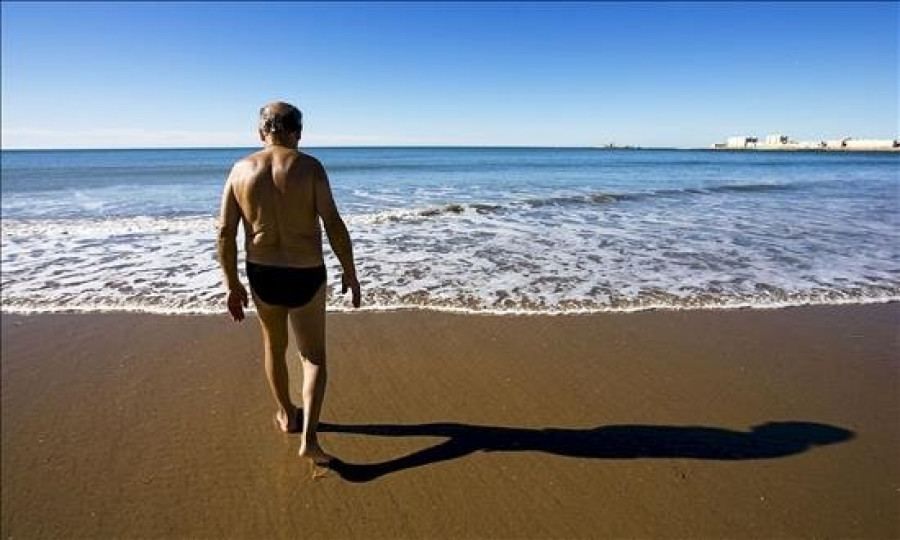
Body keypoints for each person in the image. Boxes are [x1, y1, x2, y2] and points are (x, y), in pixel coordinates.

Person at [217, 101, 360, 466]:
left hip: (262, 272)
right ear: (298, 132)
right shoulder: (310, 167)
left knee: (275, 346)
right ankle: (310, 439)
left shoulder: (239, 170)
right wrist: (350, 271)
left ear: (260, 132)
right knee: (313, 357)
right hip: (305, 271)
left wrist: (232, 284)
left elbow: (224, 232)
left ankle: (286, 414)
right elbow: (333, 223)